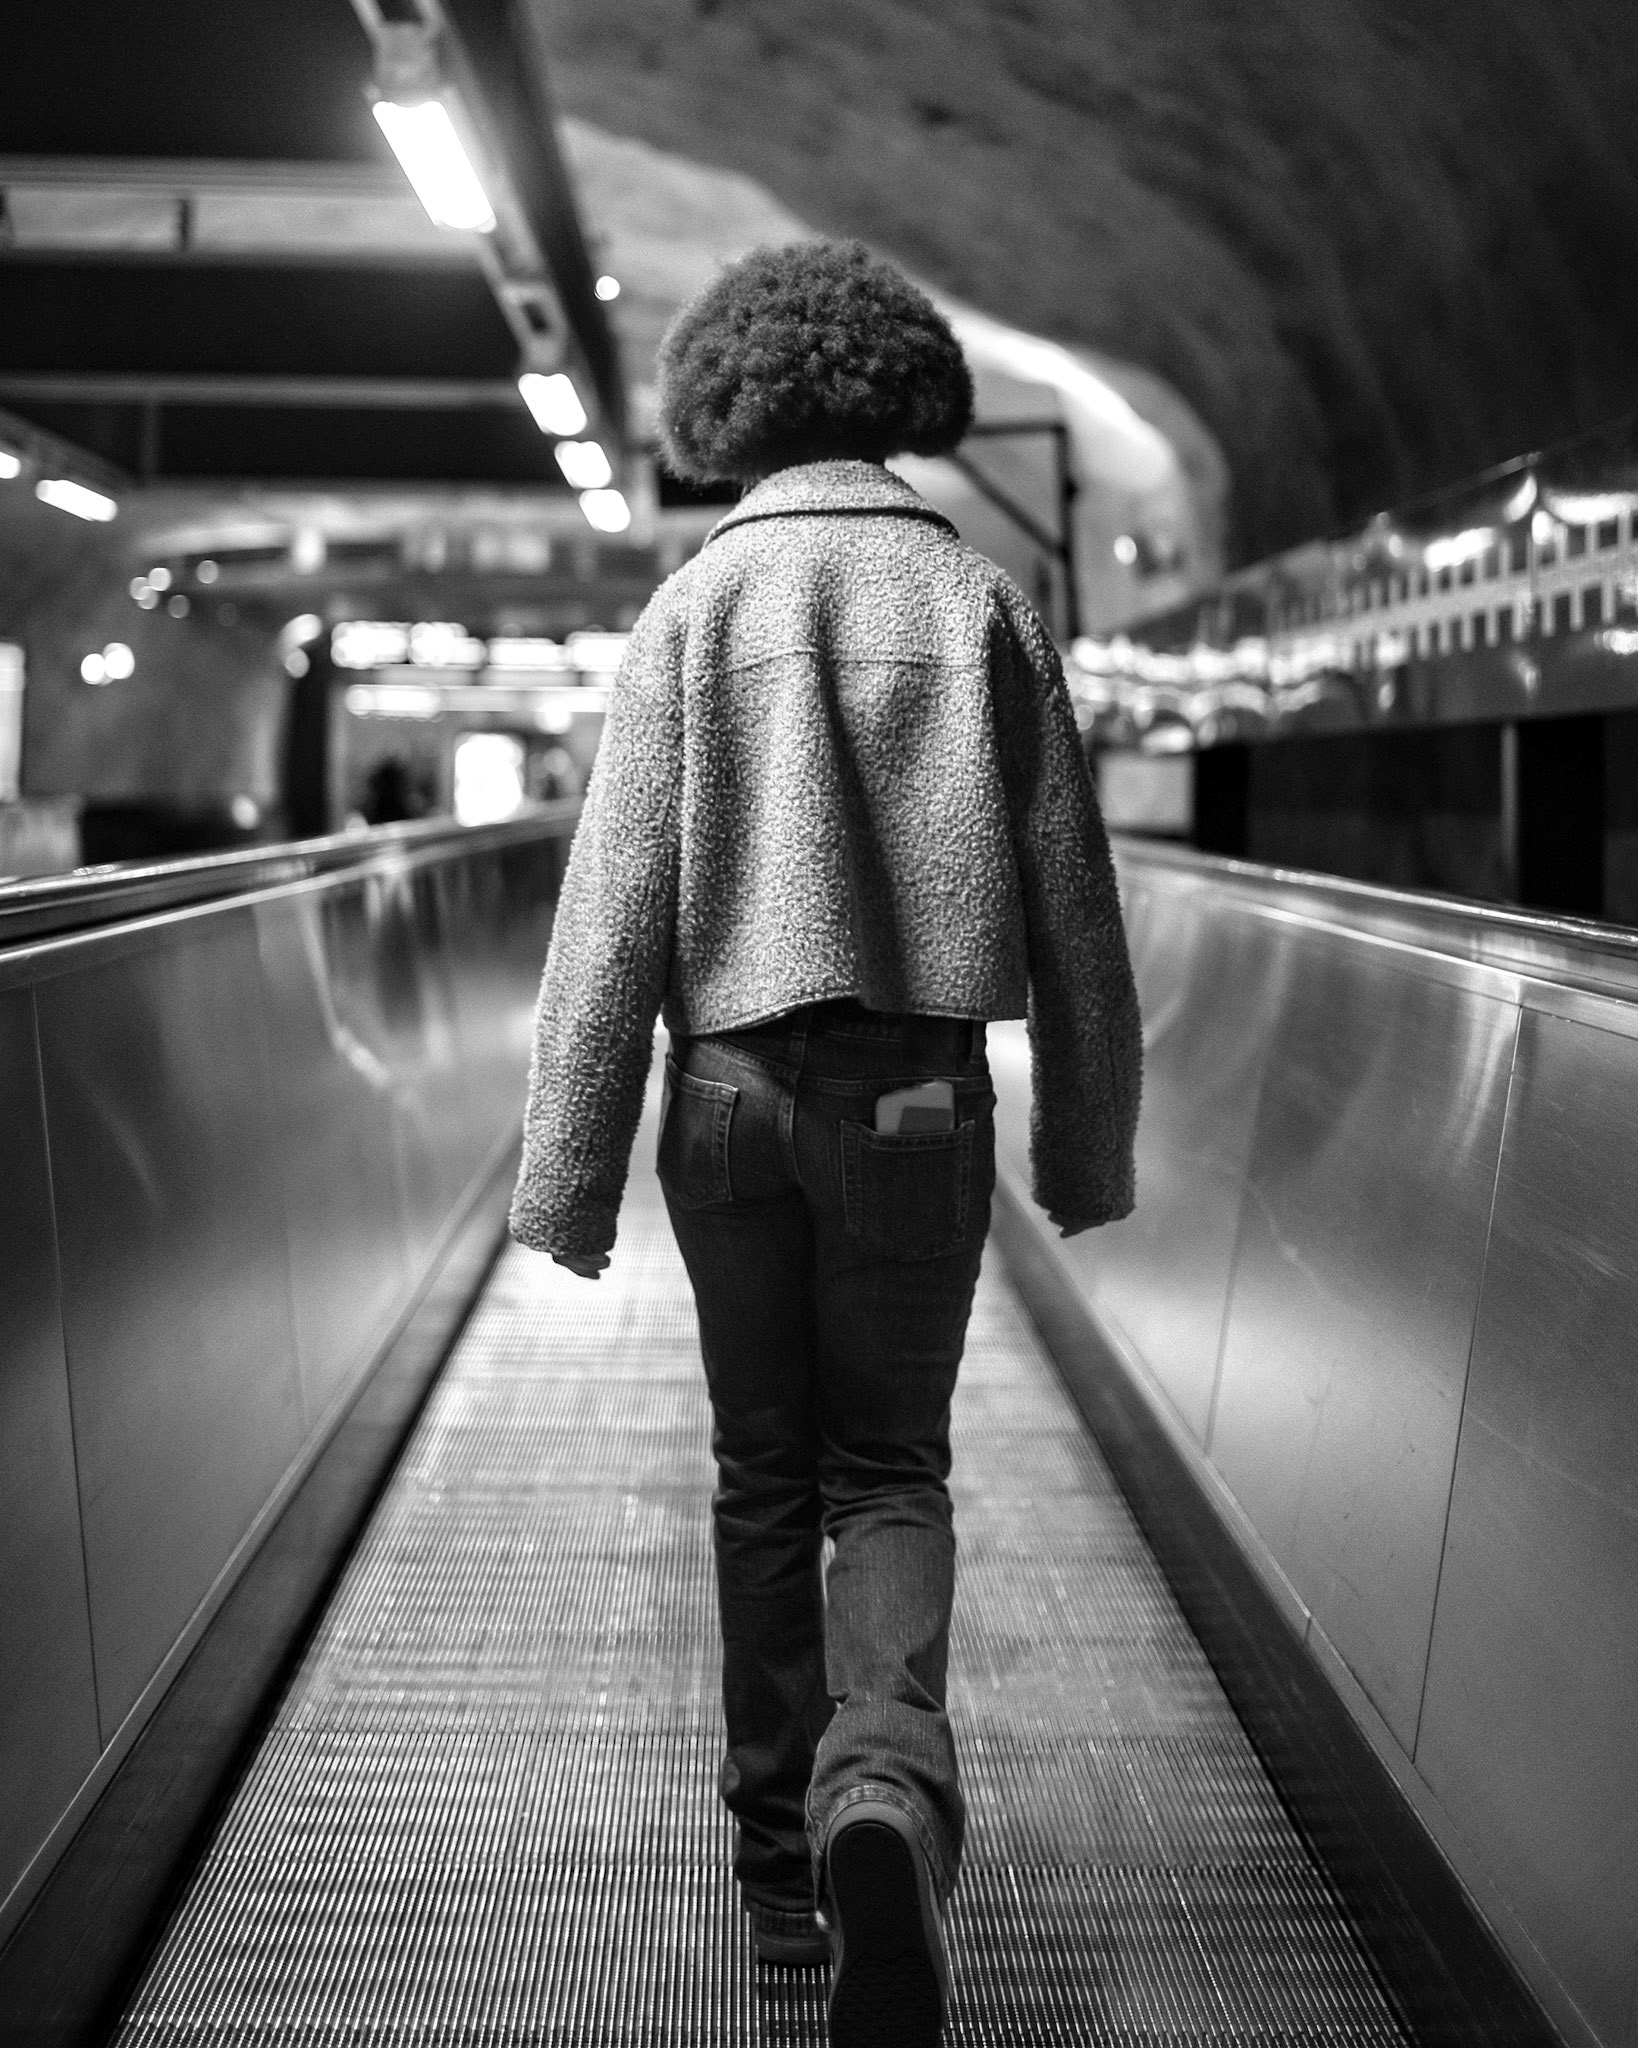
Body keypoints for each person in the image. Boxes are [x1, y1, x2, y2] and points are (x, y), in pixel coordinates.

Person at [509, 240, 1141, 2047]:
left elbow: (611, 911)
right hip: (918, 1097)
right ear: (902, 394)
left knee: (760, 1473)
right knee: (889, 1470)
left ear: (729, 407)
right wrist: (1085, 1144)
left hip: (722, 1095)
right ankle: (883, 1788)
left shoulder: (693, 608)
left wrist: (567, 1174)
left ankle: (783, 1872)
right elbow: (1073, 906)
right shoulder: (981, 600)